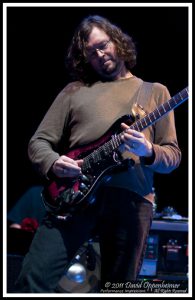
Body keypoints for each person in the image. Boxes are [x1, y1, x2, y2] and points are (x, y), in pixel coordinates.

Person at [15, 15, 181, 293]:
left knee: (118, 288)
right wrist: (54, 163)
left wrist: (148, 150)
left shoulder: (154, 92)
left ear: (117, 41)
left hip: (130, 201)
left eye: (103, 45)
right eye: (91, 53)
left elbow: (172, 156)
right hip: (72, 196)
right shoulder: (74, 92)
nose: (100, 54)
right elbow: (39, 142)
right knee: (32, 280)